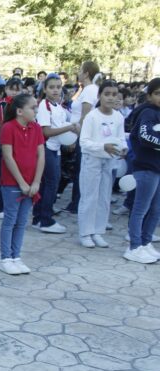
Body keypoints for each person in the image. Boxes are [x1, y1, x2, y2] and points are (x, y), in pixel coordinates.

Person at [0, 94, 45, 275]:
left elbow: (41, 156)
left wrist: (36, 182)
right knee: (10, 219)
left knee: (22, 221)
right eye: (32, 107)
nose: (36, 110)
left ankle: (16, 256)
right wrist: (22, 182)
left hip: (31, 184)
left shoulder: (37, 129)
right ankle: (5, 258)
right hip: (12, 183)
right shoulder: (8, 128)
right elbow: (8, 157)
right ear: (19, 111)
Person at [78, 80, 126, 249]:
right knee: (89, 196)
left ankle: (98, 231)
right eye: (107, 94)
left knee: (104, 196)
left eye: (114, 94)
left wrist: (124, 148)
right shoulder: (92, 116)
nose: (110, 98)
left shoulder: (118, 117)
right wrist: (102, 146)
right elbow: (84, 141)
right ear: (99, 96)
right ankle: (85, 232)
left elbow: (120, 138)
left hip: (109, 160)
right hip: (92, 160)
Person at [33, 74, 77, 234]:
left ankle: (39, 217)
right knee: (51, 184)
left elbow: (63, 126)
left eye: (58, 87)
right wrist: (69, 128)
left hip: (55, 149)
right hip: (46, 148)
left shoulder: (59, 106)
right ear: (45, 89)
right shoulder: (44, 106)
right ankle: (46, 219)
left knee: (47, 184)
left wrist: (70, 135)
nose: (56, 90)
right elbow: (46, 131)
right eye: (51, 87)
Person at [124, 77, 160, 263]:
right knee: (140, 208)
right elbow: (144, 136)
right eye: (158, 93)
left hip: (157, 168)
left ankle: (145, 243)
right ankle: (134, 246)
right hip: (145, 167)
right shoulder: (147, 112)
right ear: (149, 95)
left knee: (155, 210)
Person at [65, 61, 101, 213]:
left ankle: (77, 203)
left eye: (80, 70)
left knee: (81, 169)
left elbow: (85, 114)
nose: (78, 73)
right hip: (77, 132)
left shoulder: (90, 89)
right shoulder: (85, 89)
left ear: (86, 73)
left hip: (81, 134)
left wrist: (76, 135)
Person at [0, 77, 22, 218]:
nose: (14, 92)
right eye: (11, 89)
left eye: (17, 90)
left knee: (12, 177)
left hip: (17, 149)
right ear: (5, 90)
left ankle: (11, 205)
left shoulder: (22, 107)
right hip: (0, 149)